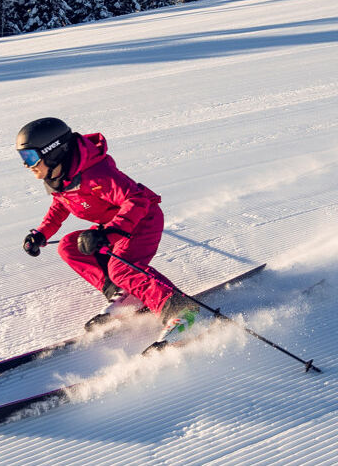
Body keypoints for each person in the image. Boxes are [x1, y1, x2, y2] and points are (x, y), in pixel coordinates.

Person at [15, 117, 206, 345]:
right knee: (69, 247)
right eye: (23, 158)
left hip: (142, 221)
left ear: (53, 151)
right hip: (113, 227)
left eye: (30, 157)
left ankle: (180, 310)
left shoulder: (97, 174)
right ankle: (128, 294)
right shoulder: (62, 176)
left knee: (122, 268)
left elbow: (136, 199)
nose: (27, 165)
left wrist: (108, 234)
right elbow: (60, 206)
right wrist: (42, 233)